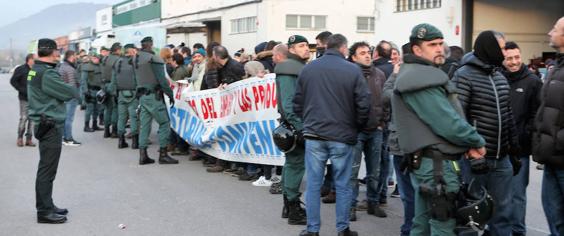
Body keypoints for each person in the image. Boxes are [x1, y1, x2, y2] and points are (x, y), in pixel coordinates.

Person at [392, 23, 487, 236]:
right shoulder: (419, 79)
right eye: (432, 44)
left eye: (441, 43)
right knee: (442, 223)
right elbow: (448, 123)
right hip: (437, 166)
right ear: (417, 50)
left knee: (424, 223)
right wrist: (476, 141)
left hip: (431, 163)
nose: (439, 48)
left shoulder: (420, 74)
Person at [294, 33, 370, 236]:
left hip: (315, 134)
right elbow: (364, 103)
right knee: (343, 184)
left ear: (327, 47)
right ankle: (343, 229)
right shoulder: (352, 70)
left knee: (313, 184)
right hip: (342, 136)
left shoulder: (309, 68)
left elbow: (297, 102)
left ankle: (312, 230)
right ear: (344, 49)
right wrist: (356, 127)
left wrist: (307, 123)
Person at [452, 30, 519, 236]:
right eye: (501, 48)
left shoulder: (500, 76)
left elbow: (508, 116)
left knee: (504, 214)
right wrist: (471, 151)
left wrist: (514, 151)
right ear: (489, 47)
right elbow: (458, 118)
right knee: (471, 216)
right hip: (475, 159)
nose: (505, 53)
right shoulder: (463, 75)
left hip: (502, 159)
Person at [28, 38, 79, 223]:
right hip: (49, 124)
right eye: (57, 51)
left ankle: (47, 205)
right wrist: (74, 90)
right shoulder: (47, 74)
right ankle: (44, 211)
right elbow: (69, 93)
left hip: (43, 122)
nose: (59, 54)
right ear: (52, 52)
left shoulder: (35, 70)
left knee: (46, 168)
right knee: (47, 170)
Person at [501, 41, 543, 236]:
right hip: (499, 150)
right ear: (503, 59)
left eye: (517, 57)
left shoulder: (533, 81)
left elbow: (538, 113)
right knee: (500, 195)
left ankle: (518, 232)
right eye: (509, 58)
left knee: (517, 196)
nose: (514, 62)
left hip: (520, 151)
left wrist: (525, 134)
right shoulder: (497, 78)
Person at [347, 41, 388, 220]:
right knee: (353, 172)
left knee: (375, 171)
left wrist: (382, 122)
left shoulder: (379, 74)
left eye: (368, 52)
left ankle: (373, 202)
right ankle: (351, 207)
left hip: (376, 130)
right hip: (356, 131)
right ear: (354, 57)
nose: (367, 55)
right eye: (362, 52)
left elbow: (386, 100)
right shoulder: (348, 73)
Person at [533, 16, 564, 236]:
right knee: (554, 216)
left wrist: (559, 141)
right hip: (551, 157)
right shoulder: (556, 67)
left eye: (554, 29)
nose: (549, 33)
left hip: (560, 153)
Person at [274, 35, 310, 225]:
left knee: (292, 164)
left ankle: (289, 206)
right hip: (296, 126)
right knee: (296, 165)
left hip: (296, 124)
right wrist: (300, 128)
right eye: (301, 46)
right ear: (292, 49)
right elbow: (288, 104)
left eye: (307, 45)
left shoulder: (295, 67)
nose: (306, 49)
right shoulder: (290, 69)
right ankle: (293, 208)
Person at [383, 43, 415, 236]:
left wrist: (395, 74)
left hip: (403, 143)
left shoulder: (402, 77)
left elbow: (387, 96)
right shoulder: (431, 74)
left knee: (409, 193)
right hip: (415, 143)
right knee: (416, 192)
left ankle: (410, 228)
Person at [133, 36, 179, 165]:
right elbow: (162, 80)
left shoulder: (136, 58)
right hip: (154, 96)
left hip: (142, 96)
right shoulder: (153, 58)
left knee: (145, 126)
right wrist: (170, 95)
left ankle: (143, 155)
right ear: (151, 44)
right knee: (164, 123)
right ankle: (163, 155)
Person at [205, 45, 245, 172]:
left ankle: (229, 163)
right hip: (229, 106)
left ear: (216, 56)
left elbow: (242, 84)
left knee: (230, 133)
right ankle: (224, 162)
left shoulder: (234, 66)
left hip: (236, 107)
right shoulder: (225, 66)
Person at [111, 43, 139, 149]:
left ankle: (121, 141)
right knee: (133, 117)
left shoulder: (117, 62)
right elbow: (138, 78)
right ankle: (135, 142)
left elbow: (113, 80)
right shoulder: (135, 62)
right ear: (131, 50)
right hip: (133, 93)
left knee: (121, 117)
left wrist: (114, 93)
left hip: (121, 93)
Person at [10, 53, 36, 147]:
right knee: (24, 118)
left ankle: (29, 139)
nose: (36, 60)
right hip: (24, 98)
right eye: (35, 59)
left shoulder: (35, 70)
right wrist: (22, 90)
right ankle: (20, 138)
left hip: (34, 99)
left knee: (32, 119)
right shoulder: (21, 69)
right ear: (30, 59)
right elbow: (13, 81)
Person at [58, 50, 81, 146]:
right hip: (70, 97)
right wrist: (78, 97)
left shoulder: (62, 67)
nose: (76, 58)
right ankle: (69, 139)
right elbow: (72, 86)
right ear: (71, 57)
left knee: (64, 118)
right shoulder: (70, 69)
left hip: (63, 96)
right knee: (69, 119)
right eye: (75, 56)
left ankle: (64, 137)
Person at [101, 43, 122, 138]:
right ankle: (114, 131)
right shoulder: (118, 60)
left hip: (105, 85)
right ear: (117, 50)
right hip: (114, 85)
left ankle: (106, 131)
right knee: (115, 109)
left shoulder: (105, 58)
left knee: (107, 109)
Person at [80, 53, 104, 132]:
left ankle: (94, 124)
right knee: (89, 110)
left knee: (97, 109)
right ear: (91, 58)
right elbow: (83, 80)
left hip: (99, 91)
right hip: (90, 91)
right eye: (94, 58)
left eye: (97, 58)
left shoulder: (101, 66)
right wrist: (86, 91)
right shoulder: (87, 67)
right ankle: (86, 126)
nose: (96, 59)